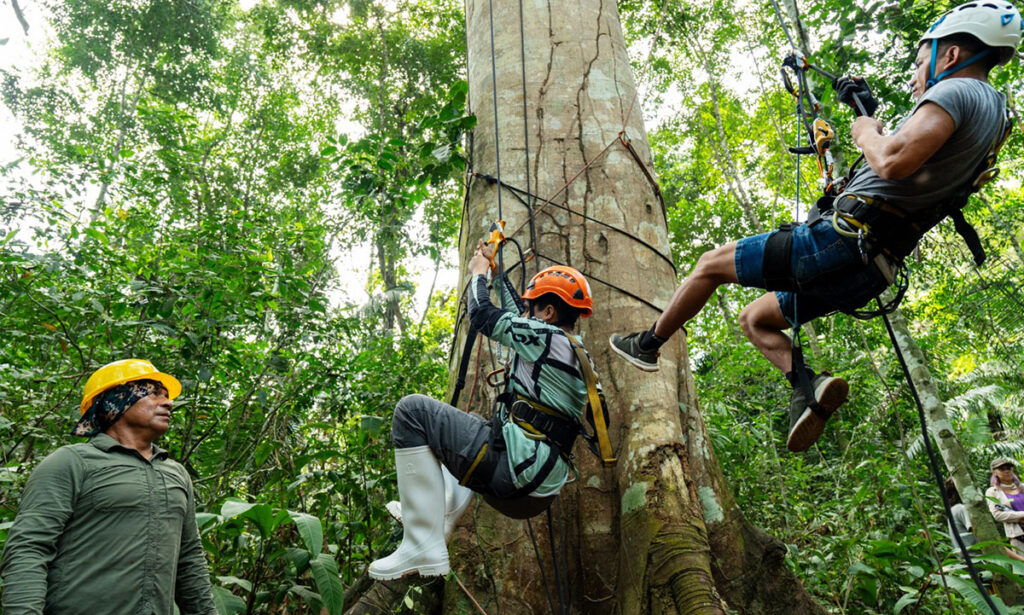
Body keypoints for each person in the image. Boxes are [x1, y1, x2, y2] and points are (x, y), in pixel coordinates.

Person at [609, 1, 1023, 452]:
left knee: (709, 266)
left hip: (841, 243)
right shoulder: (994, 114)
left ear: (951, 56)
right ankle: (808, 387)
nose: (914, 77)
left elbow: (891, 160)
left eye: (921, 62)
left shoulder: (958, 92)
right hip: (872, 268)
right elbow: (912, 172)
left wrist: (866, 129)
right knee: (755, 319)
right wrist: (865, 114)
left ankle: (647, 345)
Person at [368, 239, 612, 581]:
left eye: (534, 308)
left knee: (412, 412)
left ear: (549, 313)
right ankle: (441, 517)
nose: (527, 315)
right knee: (464, 427)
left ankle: (422, 543)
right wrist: (496, 273)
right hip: (536, 490)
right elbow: (516, 314)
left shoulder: (544, 336)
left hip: (515, 474)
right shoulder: (571, 348)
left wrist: (478, 274)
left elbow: (482, 315)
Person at [0, 359, 217, 615]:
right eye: (155, 394)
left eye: (167, 396)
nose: (168, 403)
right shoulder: (71, 463)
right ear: (117, 401)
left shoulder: (176, 473)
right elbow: (29, 548)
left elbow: (189, 560)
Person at [986, 457, 1024, 557]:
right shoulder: (993, 492)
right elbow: (997, 515)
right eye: (1002, 469)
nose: (1006, 471)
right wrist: (1022, 515)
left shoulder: (1022, 487)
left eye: (1009, 468)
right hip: (1019, 536)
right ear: (995, 472)